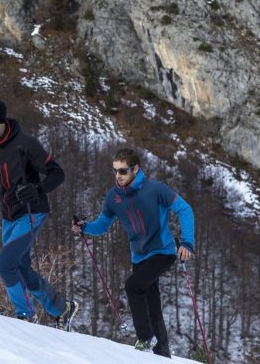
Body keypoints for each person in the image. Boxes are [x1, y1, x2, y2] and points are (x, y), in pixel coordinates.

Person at [0, 98, 78, 330]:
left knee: (6, 264)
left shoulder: (26, 144)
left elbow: (57, 173)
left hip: (32, 211)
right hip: (9, 215)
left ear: (2, 122)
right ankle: (62, 308)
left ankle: (25, 316)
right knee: (21, 268)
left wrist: (37, 189)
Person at [72, 148, 194, 357]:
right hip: (139, 257)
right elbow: (102, 225)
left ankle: (145, 339)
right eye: (115, 171)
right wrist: (84, 227)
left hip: (163, 252)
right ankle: (162, 355)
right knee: (152, 306)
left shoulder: (155, 189)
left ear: (135, 169)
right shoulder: (113, 197)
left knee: (133, 286)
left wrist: (187, 243)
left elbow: (185, 209)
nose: (118, 176)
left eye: (123, 171)